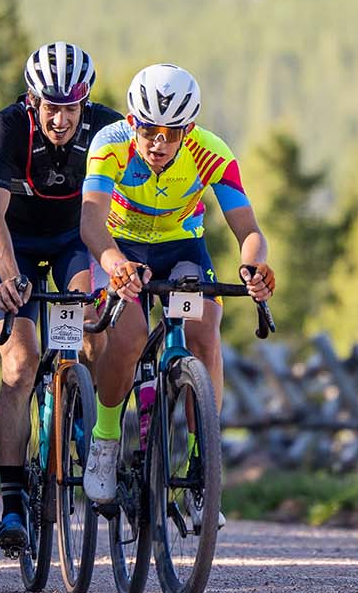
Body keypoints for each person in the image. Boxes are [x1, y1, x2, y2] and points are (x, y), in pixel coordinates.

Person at [79, 64, 275, 533]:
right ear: (132, 121)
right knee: (127, 340)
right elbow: (90, 222)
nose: (158, 142)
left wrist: (253, 266)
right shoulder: (109, 145)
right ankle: (105, 443)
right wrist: (112, 264)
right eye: (148, 129)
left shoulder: (212, 153)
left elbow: (248, 229)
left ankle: (200, 466)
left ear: (189, 129)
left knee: (205, 330)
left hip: (181, 249)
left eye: (171, 132)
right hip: (120, 248)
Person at [0, 42, 126, 556]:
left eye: (71, 106)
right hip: (15, 246)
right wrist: (7, 277)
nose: (60, 118)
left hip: (72, 244)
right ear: (32, 99)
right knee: (19, 366)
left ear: (86, 101)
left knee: (92, 322)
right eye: (50, 106)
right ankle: (13, 502)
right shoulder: (8, 126)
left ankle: (80, 409)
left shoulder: (107, 128)